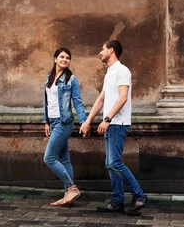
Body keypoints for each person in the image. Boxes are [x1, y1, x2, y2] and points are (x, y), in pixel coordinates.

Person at [79, 40, 148, 215]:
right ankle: (117, 201)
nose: (99, 52)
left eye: (102, 49)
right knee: (110, 164)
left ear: (111, 50)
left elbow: (123, 97)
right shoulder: (109, 73)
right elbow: (101, 99)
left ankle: (139, 195)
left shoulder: (122, 70)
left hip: (118, 123)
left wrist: (107, 119)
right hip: (111, 124)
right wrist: (88, 121)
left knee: (114, 162)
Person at [43, 47, 87, 206]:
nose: (64, 59)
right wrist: (46, 122)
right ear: (55, 59)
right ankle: (68, 196)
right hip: (53, 122)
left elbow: (77, 101)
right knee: (64, 160)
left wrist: (84, 121)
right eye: (61, 56)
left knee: (49, 158)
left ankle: (71, 188)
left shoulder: (71, 79)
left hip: (64, 122)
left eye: (67, 58)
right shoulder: (49, 78)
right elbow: (47, 103)